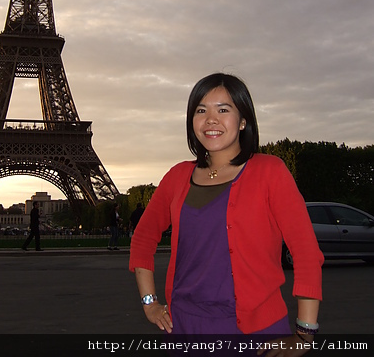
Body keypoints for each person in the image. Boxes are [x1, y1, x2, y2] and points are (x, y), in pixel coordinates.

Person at [129, 73, 323, 356]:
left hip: (257, 334)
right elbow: (143, 238)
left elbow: (305, 252)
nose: (211, 119)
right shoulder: (177, 177)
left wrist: (305, 333)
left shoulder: (270, 172)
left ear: (243, 120)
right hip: (184, 328)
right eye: (201, 110)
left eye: (223, 110)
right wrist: (150, 303)